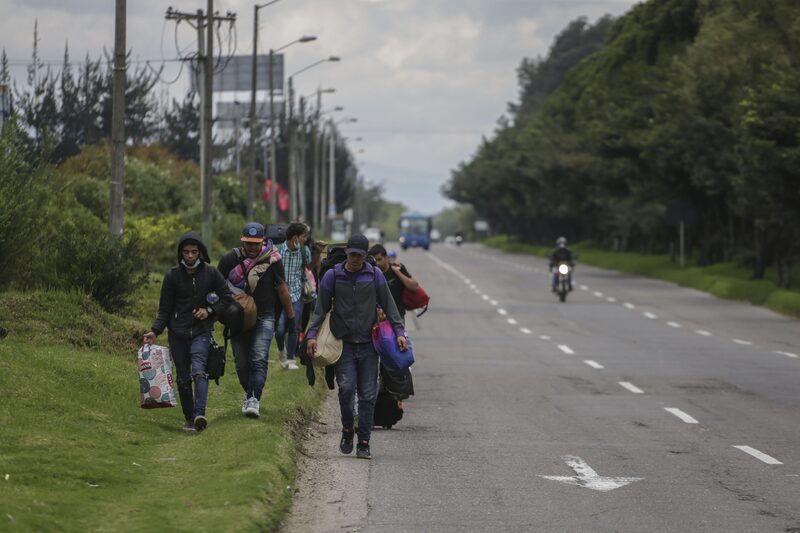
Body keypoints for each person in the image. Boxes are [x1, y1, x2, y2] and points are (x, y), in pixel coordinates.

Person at [306, 234, 408, 460]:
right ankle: (346, 429)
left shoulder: (375, 275)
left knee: (368, 394)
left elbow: (390, 307)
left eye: (359, 256)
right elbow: (320, 309)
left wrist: (400, 333)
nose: (354, 259)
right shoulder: (333, 276)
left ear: (365, 256)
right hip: (344, 345)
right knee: (347, 389)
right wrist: (311, 335)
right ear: (346, 253)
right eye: (351, 254)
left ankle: (363, 441)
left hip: (370, 345)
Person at [143, 231, 232, 433]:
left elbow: (226, 297)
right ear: (181, 253)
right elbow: (164, 310)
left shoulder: (211, 273)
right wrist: (154, 331)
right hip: (177, 334)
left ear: (200, 252)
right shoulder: (172, 276)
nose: (190, 256)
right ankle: (189, 418)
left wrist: (209, 311)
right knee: (183, 379)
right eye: (186, 252)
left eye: (194, 252)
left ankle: (200, 414)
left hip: (201, 332)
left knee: (199, 371)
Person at [217, 222, 296, 419]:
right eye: (248, 243)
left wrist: (291, 318)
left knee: (259, 357)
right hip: (238, 317)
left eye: (256, 243)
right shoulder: (229, 259)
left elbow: (282, 289)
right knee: (242, 362)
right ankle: (248, 390)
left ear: (262, 242)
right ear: (242, 241)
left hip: (264, 316)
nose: (252, 247)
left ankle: (254, 398)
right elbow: (216, 288)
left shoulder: (273, 260)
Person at [274, 222, 320, 370]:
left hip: (296, 293)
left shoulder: (304, 251)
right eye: (304, 236)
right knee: (280, 329)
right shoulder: (278, 250)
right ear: (295, 237)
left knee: (294, 326)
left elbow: (309, 267)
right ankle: (282, 350)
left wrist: (318, 252)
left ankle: (290, 359)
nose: (306, 239)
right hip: (280, 296)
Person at [369, 243, 418, 324]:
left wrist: (398, 273)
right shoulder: (370, 272)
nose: (377, 263)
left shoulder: (397, 268)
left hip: (397, 317)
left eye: (379, 259)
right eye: (375, 260)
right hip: (378, 318)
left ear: (386, 258)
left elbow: (414, 286)